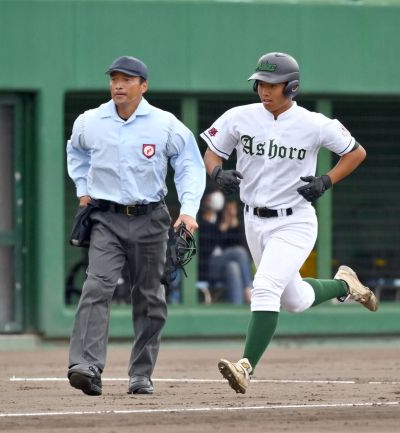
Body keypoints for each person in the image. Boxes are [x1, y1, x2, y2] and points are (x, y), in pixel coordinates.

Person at [200, 52, 377, 394]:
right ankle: (345, 286)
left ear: (291, 87)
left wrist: (326, 181)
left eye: (272, 85)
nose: (264, 90)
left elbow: (356, 152)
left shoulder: (314, 123)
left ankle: (246, 366)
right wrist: (217, 172)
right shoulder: (240, 117)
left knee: (265, 286)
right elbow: (211, 150)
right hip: (254, 221)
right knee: (293, 300)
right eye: (260, 84)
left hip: (294, 221)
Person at [65, 55, 205, 396]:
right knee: (97, 286)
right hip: (105, 218)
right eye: (114, 78)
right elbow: (76, 152)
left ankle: (141, 373)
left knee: (150, 296)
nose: (118, 84)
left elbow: (189, 164)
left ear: (143, 85)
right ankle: (86, 365)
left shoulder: (165, 124)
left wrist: (188, 211)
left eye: (127, 79)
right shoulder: (89, 122)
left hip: (151, 218)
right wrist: (83, 190)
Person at [198, 191, 253, 304]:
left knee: (233, 267)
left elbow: (233, 242)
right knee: (240, 252)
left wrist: (232, 221)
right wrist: (223, 229)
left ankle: (237, 307)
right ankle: (249, 288)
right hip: (208, 266)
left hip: (223, 266)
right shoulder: (199, 220)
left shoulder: (219, 219)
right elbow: (208, 245)